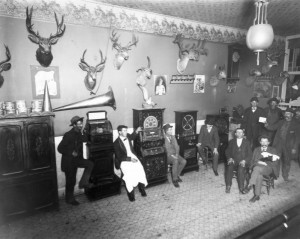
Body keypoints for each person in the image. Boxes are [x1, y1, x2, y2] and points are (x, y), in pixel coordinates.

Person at [58, 116, 94, 206]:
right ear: (74, 125)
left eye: (81, 124)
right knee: (71, 181)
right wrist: (70, 152)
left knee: (90, 164)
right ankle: (69, 199)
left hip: (76, 160)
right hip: (69, 162)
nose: (81, 125)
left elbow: (85, 139)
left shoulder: (79, 133)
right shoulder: (68, 135)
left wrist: (86, 131)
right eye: (79, 124)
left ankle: (83, 182)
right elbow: (60, 148)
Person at [113, 125, 148, 202]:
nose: (126, 132)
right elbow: (119, 157)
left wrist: (137, 130)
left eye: (126, 130)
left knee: (140, 169)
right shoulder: (116, 143)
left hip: (132, 156)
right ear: (119, 132)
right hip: (124, 160)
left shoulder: (127, 135)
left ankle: (141, 189)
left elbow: (132, 136)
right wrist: (129, 159)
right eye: (124, 130)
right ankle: (131, 195)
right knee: (128, 175)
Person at [265, 108, 300, 182]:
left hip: (289, 146)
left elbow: (297, 138)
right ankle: (275, 174)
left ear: (292, 115)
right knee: (276, 159)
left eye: (288, 114)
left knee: (287, 161)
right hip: (278, 144)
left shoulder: (296, 124)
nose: (286, 115)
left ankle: (285, 175)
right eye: (286, 114)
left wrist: (294, 148)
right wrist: (267, 125)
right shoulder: (281, 122)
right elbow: (273, 127)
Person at [245, 135, 280, 202]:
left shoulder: (273, 150)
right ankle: (257, 195)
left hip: (268, 168)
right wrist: (253, 166)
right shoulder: (256, 149)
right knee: (259, 176)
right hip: (257, 169)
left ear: (268, 142)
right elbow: (252, 161)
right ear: (260, 142)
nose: (264, 143)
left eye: (266, 141)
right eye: (262, 141)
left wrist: (265, 163)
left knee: (257, 168)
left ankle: (250, 185)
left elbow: (276, 163)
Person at [225, 128, 252, 194]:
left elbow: (250, 154)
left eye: (241, 132)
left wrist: (245, 160)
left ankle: (241, 187)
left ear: (243, 134)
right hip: (234, 160)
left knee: (240, 169)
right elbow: (227, 151)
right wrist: (230, 158)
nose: (239, 133)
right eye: (238, 132)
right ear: (235, 134)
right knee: (229, 167)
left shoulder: (247, 142)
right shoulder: (231, 141)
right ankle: (228, 186)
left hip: (243, 161)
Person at [163, 123, 187, 188]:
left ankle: (177, 175)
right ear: (166, 131)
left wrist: (176, 154)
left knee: (184, 161)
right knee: (175, 161)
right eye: (170, 130)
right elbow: (166, 150)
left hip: (174, 154)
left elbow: (177, 147)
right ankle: (175, 180)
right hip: (167, 156)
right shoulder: (163, 138)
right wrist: (173, 156)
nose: (171, 131)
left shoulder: (173, 137)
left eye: (171, 129)